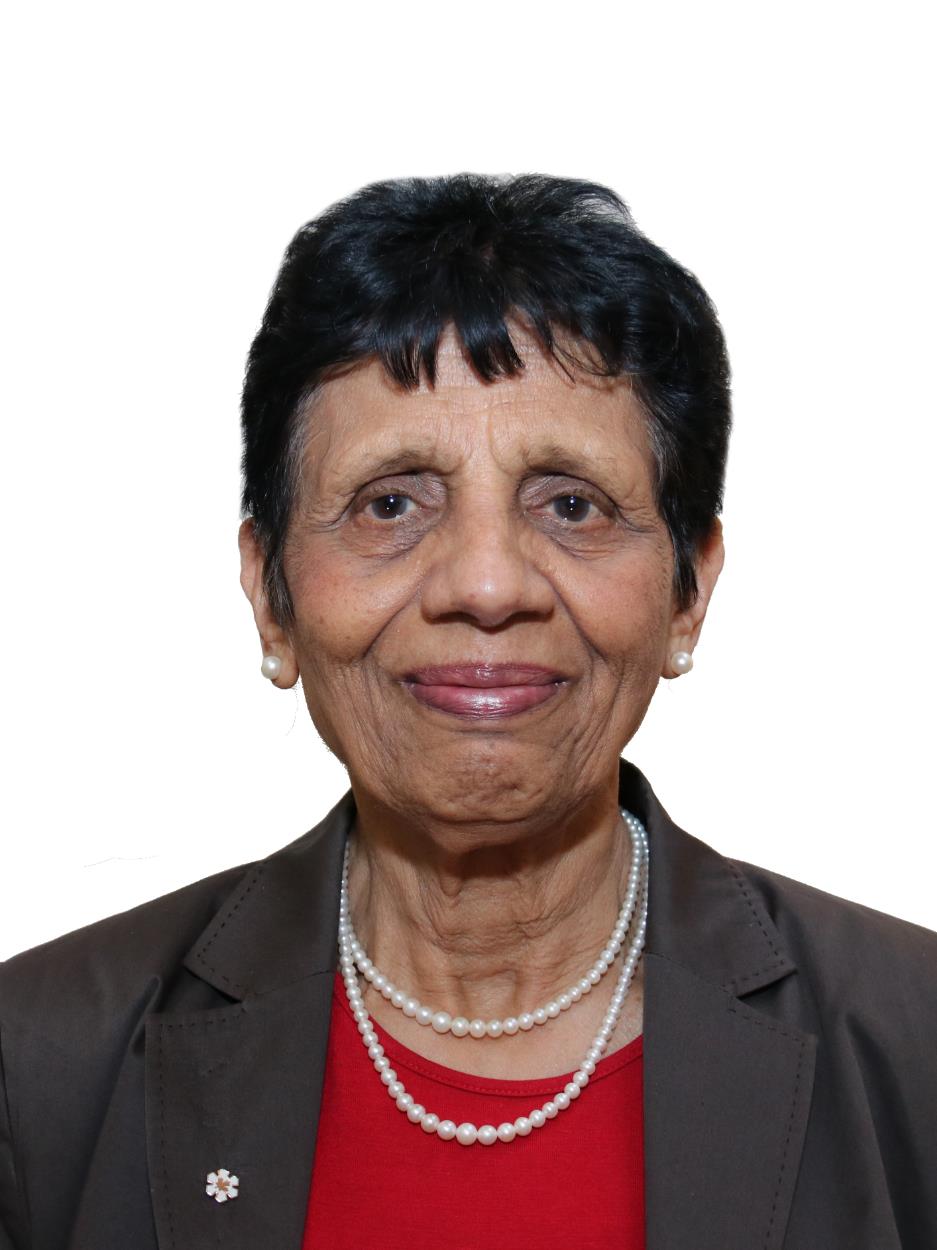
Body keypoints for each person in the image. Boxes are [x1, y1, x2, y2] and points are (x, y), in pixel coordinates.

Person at [1, 174, 935, 1250]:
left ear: (688, 591)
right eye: (390, 503)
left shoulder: (912, 1042)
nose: (487, 585)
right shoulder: (40, 1060)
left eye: (572, 504)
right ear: (270, 594)